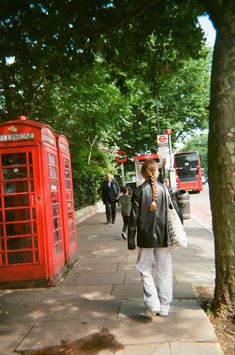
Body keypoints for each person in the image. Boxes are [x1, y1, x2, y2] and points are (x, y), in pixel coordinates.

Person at [128, 159, 173, 318]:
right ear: (157, 172)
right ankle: (165, 306)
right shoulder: (165, 190)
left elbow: (132, 218)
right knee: (164, 271)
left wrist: (131, 239)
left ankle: (153, 302)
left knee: (143, 268)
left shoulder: (138, 191)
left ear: (143, 173)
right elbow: (174, 213)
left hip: (145, 238)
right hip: (163, 238)